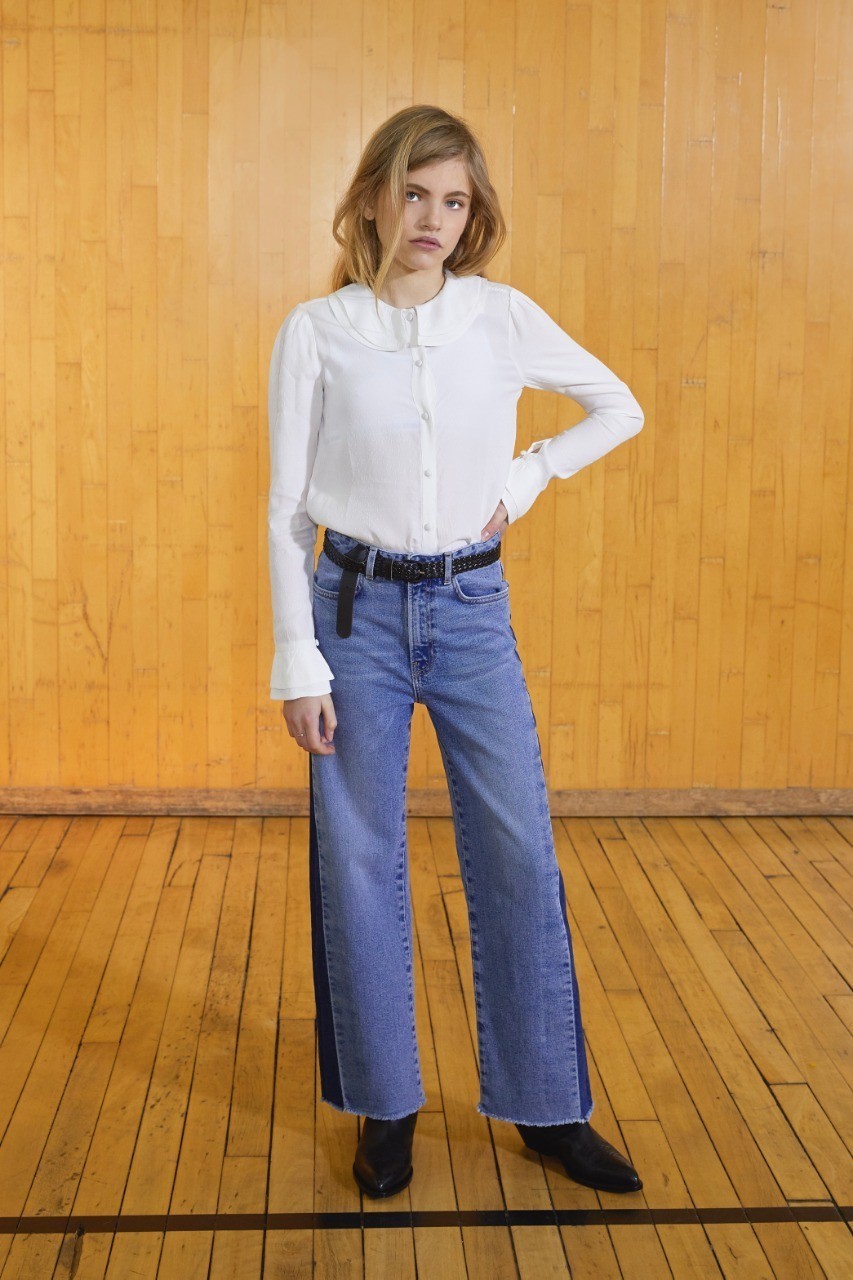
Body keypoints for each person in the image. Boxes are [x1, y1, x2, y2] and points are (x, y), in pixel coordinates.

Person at [267, 105, 645, 1200]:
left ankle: (549, 1108)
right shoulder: (317, 330)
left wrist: (523, 479)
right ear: (371, 198)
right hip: (352, 616)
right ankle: (385, 1106)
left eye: (454, 200)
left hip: (471, 609)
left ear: (472, 216)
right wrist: (296, 659)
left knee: (519, 850)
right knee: (359, 859)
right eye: (414, 193)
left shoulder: (500, 316)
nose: (432, 218)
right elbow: (287, 509)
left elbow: (617, 406)